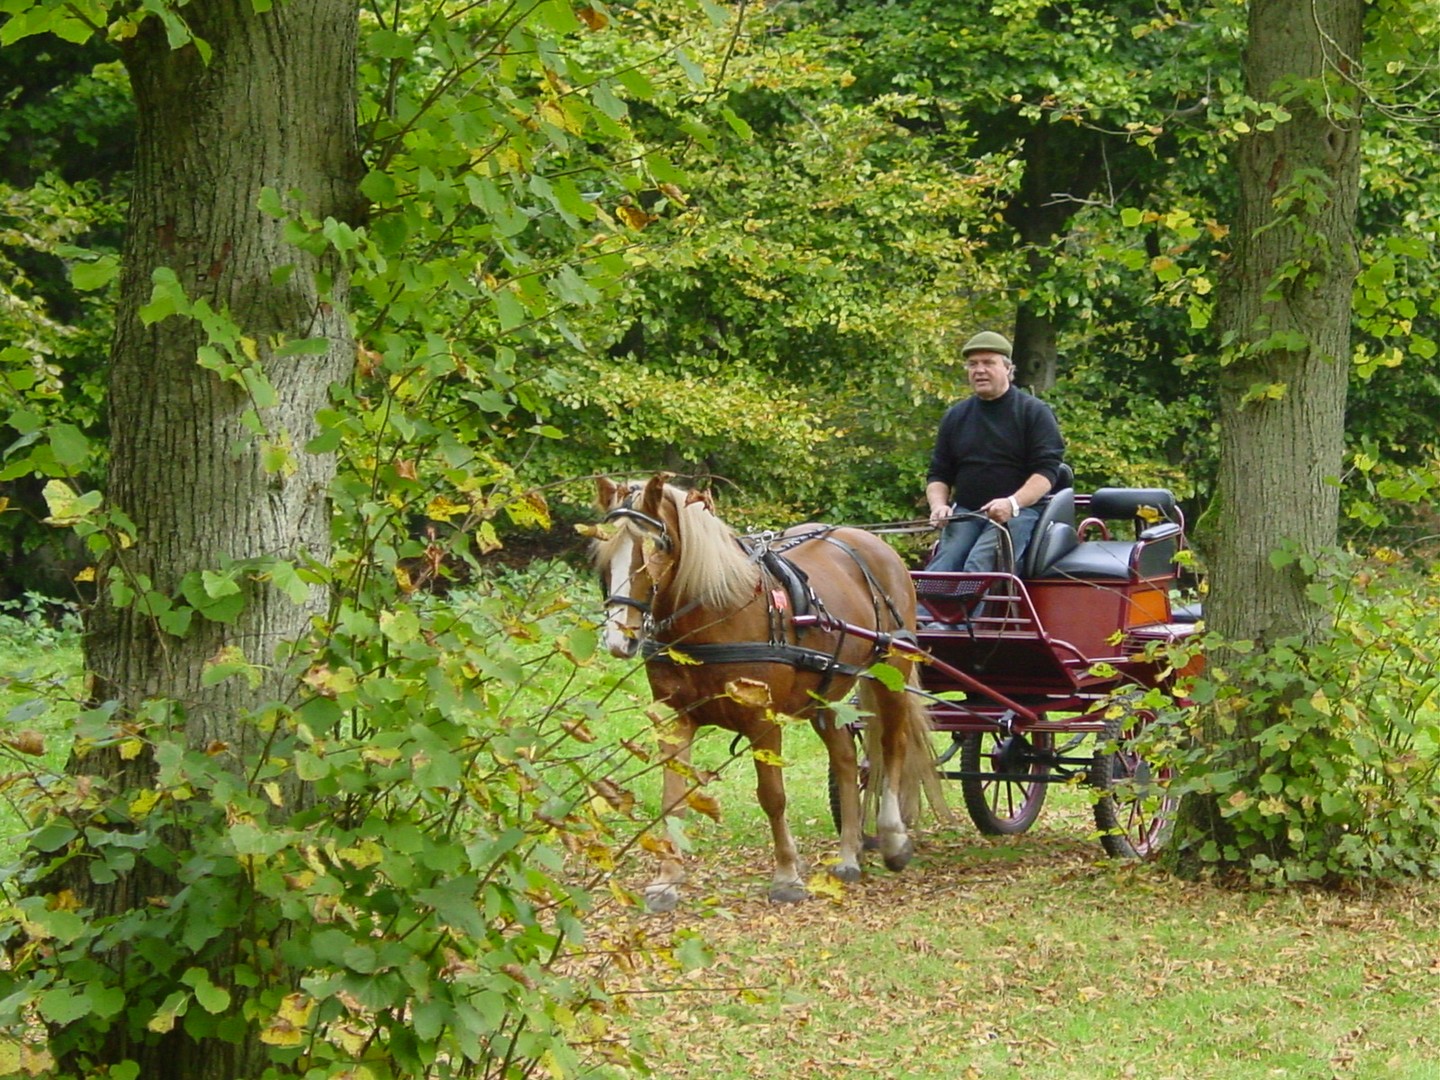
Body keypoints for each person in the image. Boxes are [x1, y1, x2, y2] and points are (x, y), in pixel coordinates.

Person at [924, 330, 1065, 572]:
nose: (979, 370)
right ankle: (928, 611)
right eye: (972, 364)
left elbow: (1046, 472)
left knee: (978, 568)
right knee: (940, 571)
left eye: (988, 363)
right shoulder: (955, 416)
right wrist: (938, 506)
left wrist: (1012, 503)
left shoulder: (1034, 412)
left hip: (1020, 512)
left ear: (1008, 369)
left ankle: (978, 611)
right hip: (968, 512)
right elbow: (938, 474)